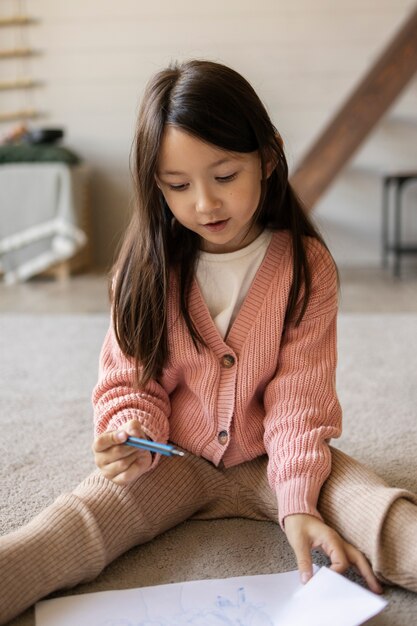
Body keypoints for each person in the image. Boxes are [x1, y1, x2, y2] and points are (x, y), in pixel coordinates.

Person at [1, 59, 416, 624]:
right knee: (72, 524)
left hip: (278, 457)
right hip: (171, 460)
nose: (204, 204)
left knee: (377, 510)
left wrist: (296, 500)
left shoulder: (305, 267)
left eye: (224, 177)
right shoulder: (142, 271)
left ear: (268, 158)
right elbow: (130, 379)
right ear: (155, 183)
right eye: (178, 185)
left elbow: (301, 396)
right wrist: (130, 433)